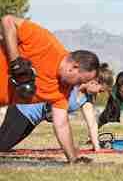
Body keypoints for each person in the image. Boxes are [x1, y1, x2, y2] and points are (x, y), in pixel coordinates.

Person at [0, 15, 100, 163]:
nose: (78, 86)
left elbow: (61, 124)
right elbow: (7, 20)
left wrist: (73, 159)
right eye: (80, 80)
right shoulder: (45, 43)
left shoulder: (63, 90)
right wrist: (15, 61)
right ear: (74, 67)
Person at [0, 63, 113, 152]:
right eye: (100, 90)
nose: (99, 94)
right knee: (2, 145)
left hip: (33, 120)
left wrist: (97, 148)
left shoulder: (86, 100)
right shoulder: (71, 83)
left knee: (4, 146)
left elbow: (92, 124)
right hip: (23, 109)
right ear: (94, 82)